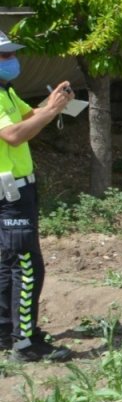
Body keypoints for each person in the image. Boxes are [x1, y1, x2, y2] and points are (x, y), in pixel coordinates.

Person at [0, 30, 73, 363]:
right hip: (9, 193)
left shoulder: (6, 92)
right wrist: (52, 111)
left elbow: (27, 119)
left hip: (16, 188)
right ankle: (25, 343)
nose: (11, 60)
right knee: (28, 266)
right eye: (4, 56)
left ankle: (6, 331)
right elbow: (14, 135)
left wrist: (51, 104)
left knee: (7, 264)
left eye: (12, 53)